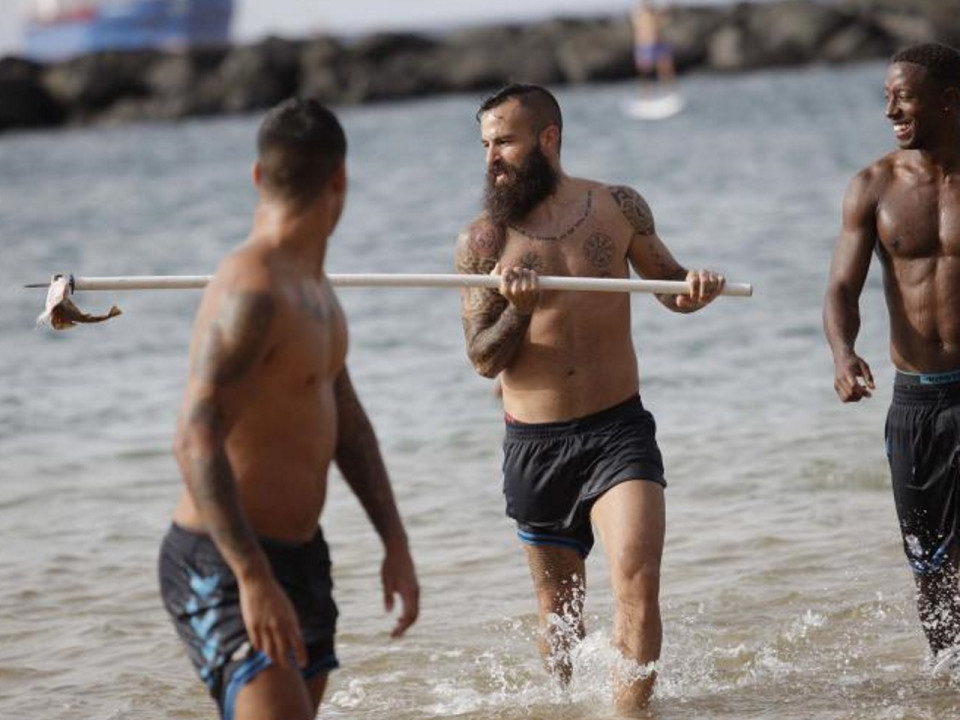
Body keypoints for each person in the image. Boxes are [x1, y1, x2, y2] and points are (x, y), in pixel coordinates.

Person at [455, 83, 725, 711]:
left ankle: (631, 712)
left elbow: (670, 287)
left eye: (505, 142)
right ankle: (563, 706)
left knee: (638, 580)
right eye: (486, 145)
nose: (492, 158)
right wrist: (519, 310)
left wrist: (696, 287)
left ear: (548, 139)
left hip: (618, 431)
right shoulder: (483, 242)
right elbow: (483, 358)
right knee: (560, 611)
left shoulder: (618, 206)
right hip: (536, 442)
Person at [159, 98, 419, 720]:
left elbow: (347, 422)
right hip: (224, 560)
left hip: (303, 558)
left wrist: (395, 540)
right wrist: (251, 577)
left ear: (257, 175)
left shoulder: (316, 289)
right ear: (340, 179)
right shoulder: (252, 288)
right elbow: (194, 439)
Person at [823, 43, 960, 667]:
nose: (890, 111)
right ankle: (946, 684)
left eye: (903, 98)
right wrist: (843, 353)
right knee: (930, 568)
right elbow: (840, 288)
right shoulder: (873, 186)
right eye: (886, 98)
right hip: (916, 404)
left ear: (948, 100)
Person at [631, 0, 677, 94]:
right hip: (644, 45)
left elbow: (664, 20)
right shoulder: (638, 13)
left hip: (658, 43)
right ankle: (646, 95)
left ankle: (670, 92)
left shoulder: (655, 12)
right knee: (646, 72)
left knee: (665, 68)